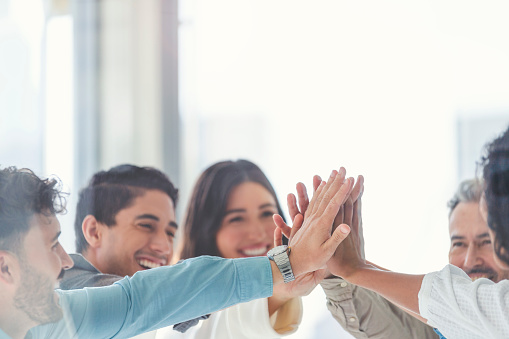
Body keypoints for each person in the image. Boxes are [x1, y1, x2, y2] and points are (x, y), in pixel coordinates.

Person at [0, 165, 354, 339]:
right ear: (6, 268)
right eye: (50, 246)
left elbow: (141, 300)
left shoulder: (64, 316)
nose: (64, 261)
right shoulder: (63, 307)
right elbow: (150, 298)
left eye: (168, 230)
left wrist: (286, 270)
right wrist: (285, 266)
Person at [280, 126, 509, 339]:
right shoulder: (445, 325)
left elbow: (453, 300)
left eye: (488, 240)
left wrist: (355, 268)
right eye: (458, 243)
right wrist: (335, 267)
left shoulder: (489, 310)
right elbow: (404, 323)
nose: (470, 260)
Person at [157, 159, 317, 339]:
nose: (256, 234)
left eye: (266, 213)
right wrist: (277, 295)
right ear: (207, 231)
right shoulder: (177, 316)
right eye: (237, 219)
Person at [60, 164, 178, 289]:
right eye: (146, 225)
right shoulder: (65, 295)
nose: (165, 247)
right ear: (94, 231)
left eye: (170, 233)